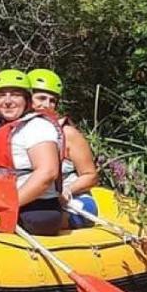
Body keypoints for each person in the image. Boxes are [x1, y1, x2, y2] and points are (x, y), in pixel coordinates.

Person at [0, 69, 64, 235]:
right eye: (0, 95)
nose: (7, 101)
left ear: (27, 100)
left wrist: (8, 205)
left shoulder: (37, 126)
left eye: (15, 94)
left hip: (34, 207)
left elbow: (47, 173)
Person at [28, 68, 99, 229]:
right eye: (40, 98)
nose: (46, 105)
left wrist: (67, 190)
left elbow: (90, 176)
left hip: (72, 200)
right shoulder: (17, 131)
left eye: (52, 100)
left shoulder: (68, 133)